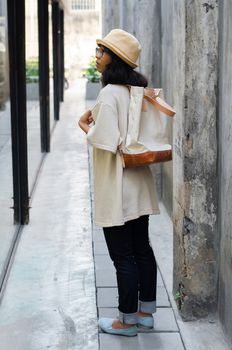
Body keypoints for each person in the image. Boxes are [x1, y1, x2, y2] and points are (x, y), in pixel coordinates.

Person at [78, 29, 160, 337]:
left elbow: (106, 140)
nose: (96, 56)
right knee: (142, 248)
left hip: (118, 185)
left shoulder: (110, 93)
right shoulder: (137, 92)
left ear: (115, 59)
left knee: (122, 255)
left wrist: (85, 125)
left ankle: (125, 321)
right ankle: (146, 313)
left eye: (101, 51)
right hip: (139, 182)